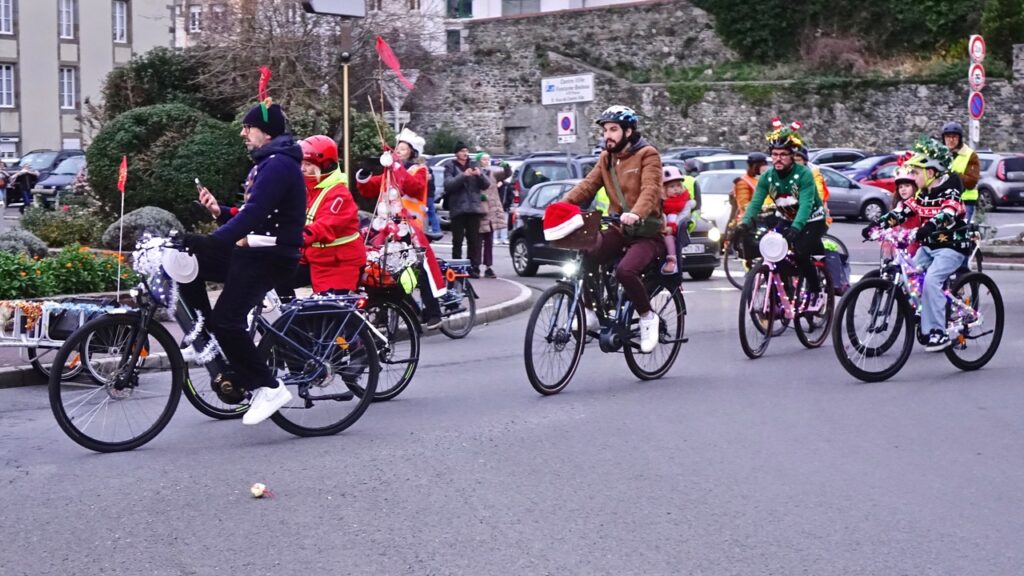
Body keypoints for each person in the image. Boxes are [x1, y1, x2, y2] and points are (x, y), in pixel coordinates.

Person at [183, 101, 305, 425]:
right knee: (189, 260)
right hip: (254, 251)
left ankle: (269, 388)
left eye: (247, 127)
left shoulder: (279, 165)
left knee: (227, 320)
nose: (242, 133)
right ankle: (205, 334)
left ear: (266, 132)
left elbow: (254, 215)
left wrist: (213, 240)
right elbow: (254, 214)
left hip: (271, 256)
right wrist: (219, 212)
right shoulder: (269, 163)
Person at [558, 105, 664, 353]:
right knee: (587, 252)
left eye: (613, 129)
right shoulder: (606, 158)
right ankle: (590, 311)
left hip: (647, 233)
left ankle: (648, 316)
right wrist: (560, 206)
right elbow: (587, 186)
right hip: (620, 229)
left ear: (628, 131)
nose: (608, 135)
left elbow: (651, 189)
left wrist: (636, 213)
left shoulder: (648, 155)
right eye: (605, 130)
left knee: (626, 271)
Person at [356, 128, 445, 329]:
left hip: (410, 228)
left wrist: (395, 165)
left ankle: (434, 312)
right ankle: (387, 309)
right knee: (380, 267)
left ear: (412, 152)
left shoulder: (419, 170)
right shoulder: (391, 172)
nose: (398, 151)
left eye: (403, 149)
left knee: (419, 267)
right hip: (387, 228)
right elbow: (370, 188)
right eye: (397, 148)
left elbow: (412, 186)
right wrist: (365, 174)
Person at [736, 119, 828, 308]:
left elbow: (806, 205)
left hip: (813, 220)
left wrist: (796, 227)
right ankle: (785, 293)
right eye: (775, 154)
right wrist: (744, 223)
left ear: (792, 156)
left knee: (801, 254)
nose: (778, 159)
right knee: (773, 253)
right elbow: (755, 203)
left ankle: (816, 292)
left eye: (783, 154)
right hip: (786, 219)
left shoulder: (804, 174)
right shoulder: (767, 177)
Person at [903, 139, 973, 351]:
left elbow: (948, 213)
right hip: (929, 247)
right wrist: (878, 224)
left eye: (916, 172)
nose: (913, 177)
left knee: (931, 280)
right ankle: (924, 311)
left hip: (952, 247)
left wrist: (929, 226)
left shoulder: (950, 191)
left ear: (931, 172)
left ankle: (938, 332)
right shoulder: (922, 194)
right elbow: (902, 211)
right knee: (909, 273)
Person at [276, 135, 365, 300]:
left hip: (337, 264)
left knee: (326, 311)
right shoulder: (309, 189)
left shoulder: (339, 195)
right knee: (274, 276)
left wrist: (295, 237)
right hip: (314, 257)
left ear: (325, 166)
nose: (302, 169)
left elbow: (324, 226)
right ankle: (289, 312)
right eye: (301, 163)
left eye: (308, 164)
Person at [444, 142, 490, 278]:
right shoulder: (450, 166)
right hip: (458, 208)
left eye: (466, 151)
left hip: (474, 207)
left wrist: (479, 175)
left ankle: (473, 267)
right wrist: (464, 175)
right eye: (462, 151)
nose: (465, 153)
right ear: (456, 153)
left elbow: (486, 184)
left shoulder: (474, 164)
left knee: (474, 240)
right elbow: (448, 185)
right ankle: (456, 267)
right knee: (457, 240)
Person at [862, 165, 923, 258]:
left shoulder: (916, 203)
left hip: (919, 245)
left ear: (915, 187)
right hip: (906, 243)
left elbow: (896, 216)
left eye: (907, 186)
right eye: (900, 187)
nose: (903, 189)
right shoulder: (900, 204)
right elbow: (892, 215)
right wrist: (873, 227)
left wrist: (876, 224)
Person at [476, 151, 511, 278]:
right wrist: (479, 197)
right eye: (484, 159)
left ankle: (488, 266)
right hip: (479, 211)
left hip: (491, 211)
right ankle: (475, 265)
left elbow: (506, 174)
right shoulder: (475, 173)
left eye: (488, 159)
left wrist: (506, 166)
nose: (487, 161)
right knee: (477, 242)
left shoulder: (492, 173)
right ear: (479, 161)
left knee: (489, 242)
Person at [660, 165, 696, 275]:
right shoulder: (661, 203)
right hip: (660, 230)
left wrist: (672, 228)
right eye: (672, 186)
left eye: (678, 186)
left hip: (675, 232)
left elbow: (683, 218)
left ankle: (672, 260)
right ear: (663, 189)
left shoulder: (685, 203)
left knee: (669, 238)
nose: (676, 189)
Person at [942, 122, 981, 222]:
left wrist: (951, 174)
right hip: (944, 200)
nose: (951, 140)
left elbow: (971, 182)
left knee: (960, 229)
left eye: (954, 137)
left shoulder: (970, 155)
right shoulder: (940, 154)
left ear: (959, 138)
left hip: (964, 201)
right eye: (948, 137)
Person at [794, 145, 832, 226]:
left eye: (799, 160)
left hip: (813, 209)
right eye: (794, 160)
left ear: (805, 161)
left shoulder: (814, 173)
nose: (796, 163)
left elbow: (818, 192)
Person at [731, 152, 767, 224]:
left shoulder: (761, 179)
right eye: (762, 165)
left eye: (765, 165)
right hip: (748, 221)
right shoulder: (742, 182)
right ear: (754, 166)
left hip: (763, 219)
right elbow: (744, 204)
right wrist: (764, 209)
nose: (764, 168)